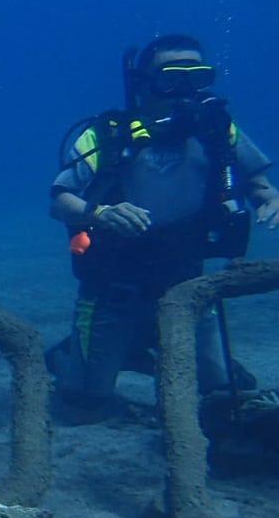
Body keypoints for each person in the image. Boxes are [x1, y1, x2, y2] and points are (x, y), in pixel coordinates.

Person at [47, 34, 279, 423]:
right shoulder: (106, 135)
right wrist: (100, 212)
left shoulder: (219, 129)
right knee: (85, 403)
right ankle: (72, 355)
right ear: (143, 82)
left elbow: (258, 182)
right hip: (113, 287)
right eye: (172, 78)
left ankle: (145, 345)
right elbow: (59, 200)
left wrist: (270, 198)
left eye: (198, 77)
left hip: (188, 284)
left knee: (221, 391)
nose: (186, 91)